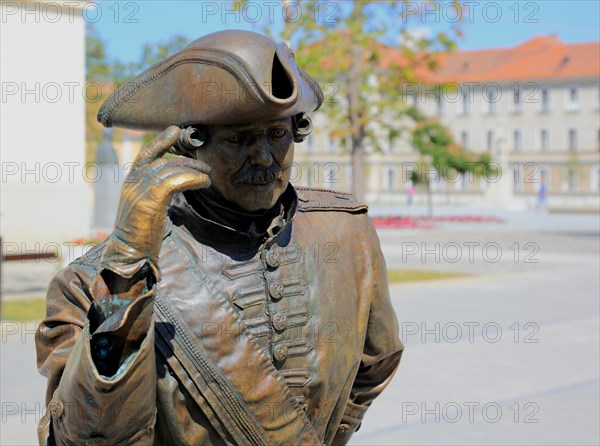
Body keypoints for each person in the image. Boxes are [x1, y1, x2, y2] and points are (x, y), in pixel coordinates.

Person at [35, 30, 402, 446]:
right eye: (237, 139)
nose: (264, 156)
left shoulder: (345, 233)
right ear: (188, 145)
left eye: (277, 134)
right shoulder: (93, 283)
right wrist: (129, 263)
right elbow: (85, 438)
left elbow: (378, 361)